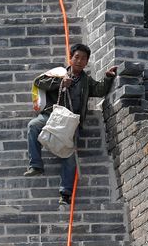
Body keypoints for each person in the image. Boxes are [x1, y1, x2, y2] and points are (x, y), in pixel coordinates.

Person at [25, 42, 117, 205]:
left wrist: (108, 77)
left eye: (83, 59)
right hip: (53, 116)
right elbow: (39, 82)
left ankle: (65, 193)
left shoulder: (86, 80)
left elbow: (99, 90)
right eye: (77, 57)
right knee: (33, 125)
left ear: (87, 62)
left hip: (71, 123)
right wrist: (60, 83)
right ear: (71, 58)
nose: (79, 61)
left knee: (69, 153)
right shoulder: (59, 73)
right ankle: (36, 165)